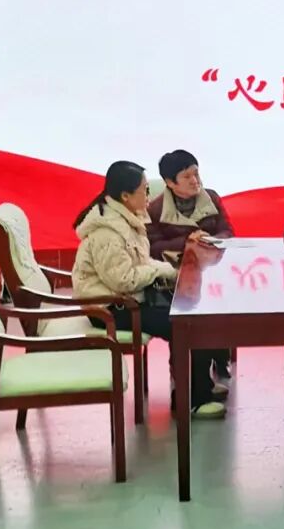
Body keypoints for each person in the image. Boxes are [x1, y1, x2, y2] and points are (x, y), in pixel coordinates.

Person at [72, 160, 225, 419]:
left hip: (127, 299)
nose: (149, 195)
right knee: (185, 324)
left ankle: (201, 385)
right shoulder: (108, 232)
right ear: (125, 196)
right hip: (110, 309)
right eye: (144, 189)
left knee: (195, 311)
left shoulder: (125, 217)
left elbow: (140, 263)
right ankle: (192, 400)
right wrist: (161, 271)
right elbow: (123, 280)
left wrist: (171, 271)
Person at [147, 149, 235, 392]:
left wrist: (210, 239)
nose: (195, 180)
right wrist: (187, 241)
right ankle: (185, 378)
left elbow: (228, 232)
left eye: (196, 173)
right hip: (174, 279)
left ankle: (218, 361)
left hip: (213, 272)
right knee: (188, 319)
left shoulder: (211, 198)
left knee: (219, 307)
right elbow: (153, 247)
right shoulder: (155, 209)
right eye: (187, 176)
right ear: (169, 182)